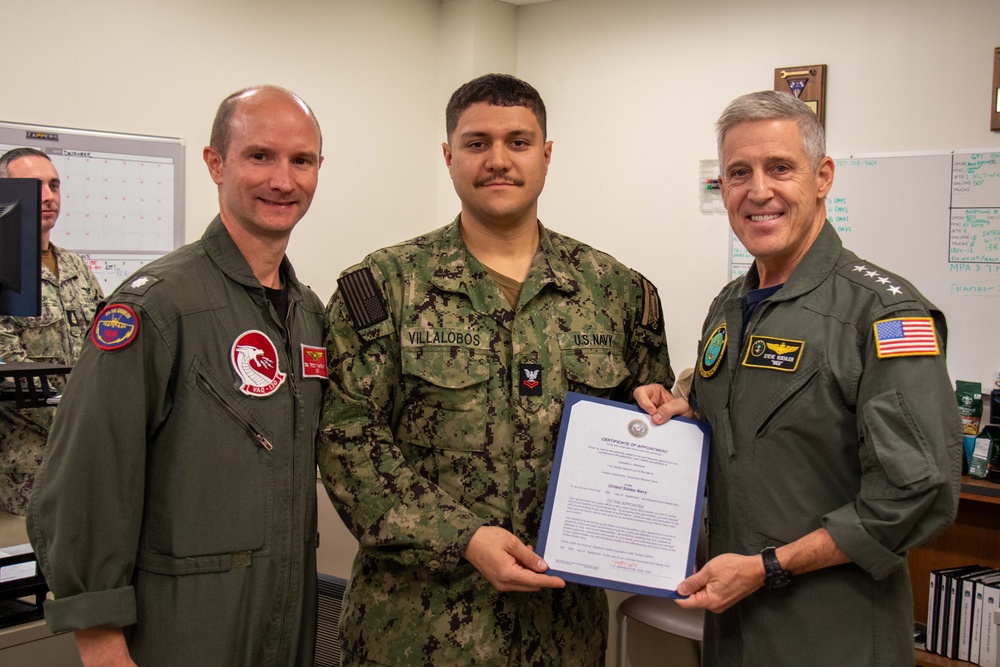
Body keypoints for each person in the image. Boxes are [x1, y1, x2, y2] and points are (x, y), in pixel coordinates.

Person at [317, 73, 673, 666]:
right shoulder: (383, 287)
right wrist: (463, 539)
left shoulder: (618, 292)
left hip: (563, 631)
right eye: (477, 143)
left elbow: (649, 425)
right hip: (416, 629)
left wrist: (664, 417)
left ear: (547, 155)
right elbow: (347, 443)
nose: (498, 161)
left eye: (519, 142)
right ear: (449, 156)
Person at [634, 91, 962, 666]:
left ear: (822, 176)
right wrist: (689, 417)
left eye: (779, 168)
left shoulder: (884, 313)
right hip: (732, 627)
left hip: (833, 634)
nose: (758, 191)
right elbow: (751, 435)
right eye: (739, 173)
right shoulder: (730, 305)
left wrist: (768, 567)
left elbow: (916, 494)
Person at [27, 86, 327, 666]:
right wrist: (101, 642)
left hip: (284, 624)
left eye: (302, 161)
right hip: (182, 631)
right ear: (216, 163)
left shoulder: (308, 314)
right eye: (259, 156)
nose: (283, 181)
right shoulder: (158, 308)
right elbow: (85, 476)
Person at [0, 148, 104, 516]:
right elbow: (9, 370)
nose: (48, 196)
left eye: (54, 185)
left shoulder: (76, 266)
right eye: (34, 186)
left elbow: (105, 343)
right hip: (29, 462)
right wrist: (86, 418)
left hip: (87, 454)